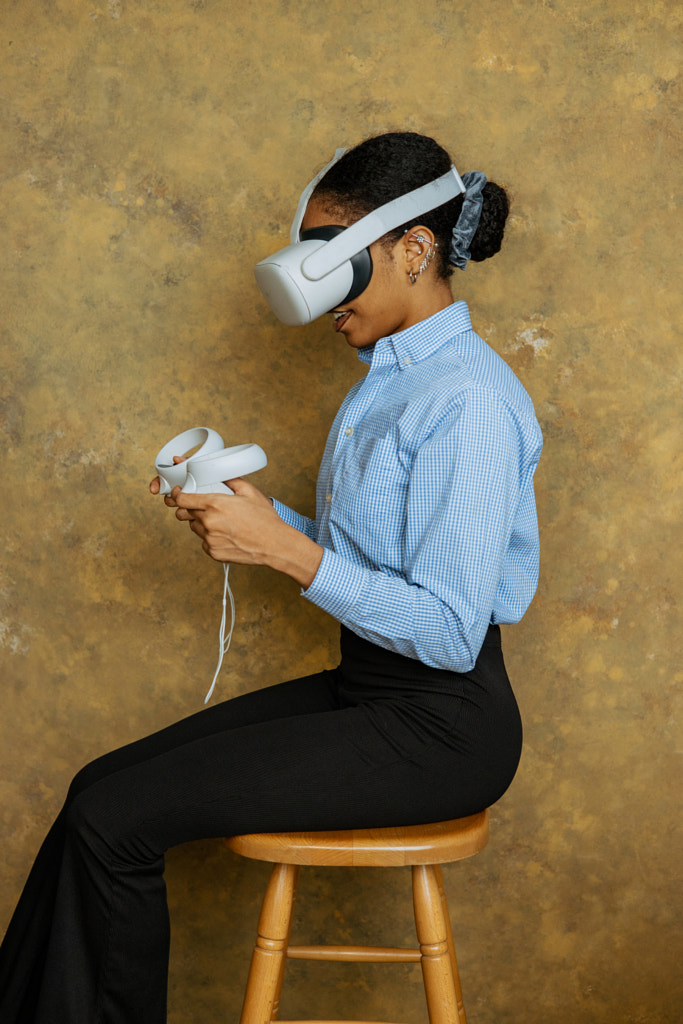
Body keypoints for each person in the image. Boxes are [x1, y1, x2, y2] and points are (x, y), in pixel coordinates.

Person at [0, 131, 542, 1024]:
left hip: (440, 724)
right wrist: (250, 515)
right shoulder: (390, 379)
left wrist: (282, 551)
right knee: (96, 788)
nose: (316, 287)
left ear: (414, 251)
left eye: (333, 256)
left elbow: (446, 632)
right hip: (372, 692)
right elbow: (373, 561)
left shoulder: (468, 401)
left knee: (115, 824)